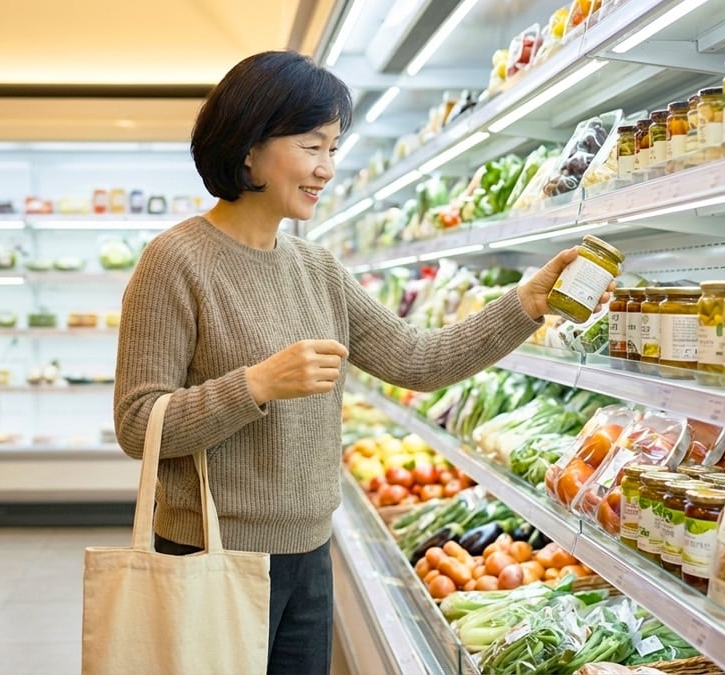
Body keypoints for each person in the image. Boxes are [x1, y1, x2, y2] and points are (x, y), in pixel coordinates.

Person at [113, 50, 610, 674]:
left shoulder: (316, 269)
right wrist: (257, 385)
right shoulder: (175, 262)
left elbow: (417, 359)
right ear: (247, 148)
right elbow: (138, 424)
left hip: (310, 553)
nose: (326, 169)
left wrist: (525, 303)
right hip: (211, 552)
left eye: (333, 148)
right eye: (310, 145)